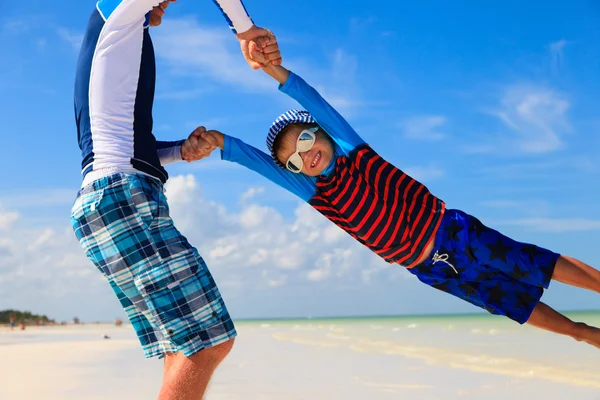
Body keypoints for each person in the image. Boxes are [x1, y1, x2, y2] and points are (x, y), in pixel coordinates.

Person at [198, 42, 600, 349]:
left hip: (452, 232)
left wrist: (276, 72)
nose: (306, 154)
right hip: (431, 269)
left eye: (305, 139)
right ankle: (585, 334)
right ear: (295, 172)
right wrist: (221, 142)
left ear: (321, 132)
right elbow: (260, 165)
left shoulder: (354, 152)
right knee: (512, 304)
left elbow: (315, 102)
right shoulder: (317, 193)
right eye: (295, 159)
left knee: (532, 263)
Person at [71, 1, 280, 399]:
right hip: (122, 199)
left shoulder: (121, 40)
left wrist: (180, 151)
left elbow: (120, 143)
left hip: (108, 200)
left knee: (181, 347)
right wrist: (244, 30)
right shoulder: (116, 16)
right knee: (208, 342)